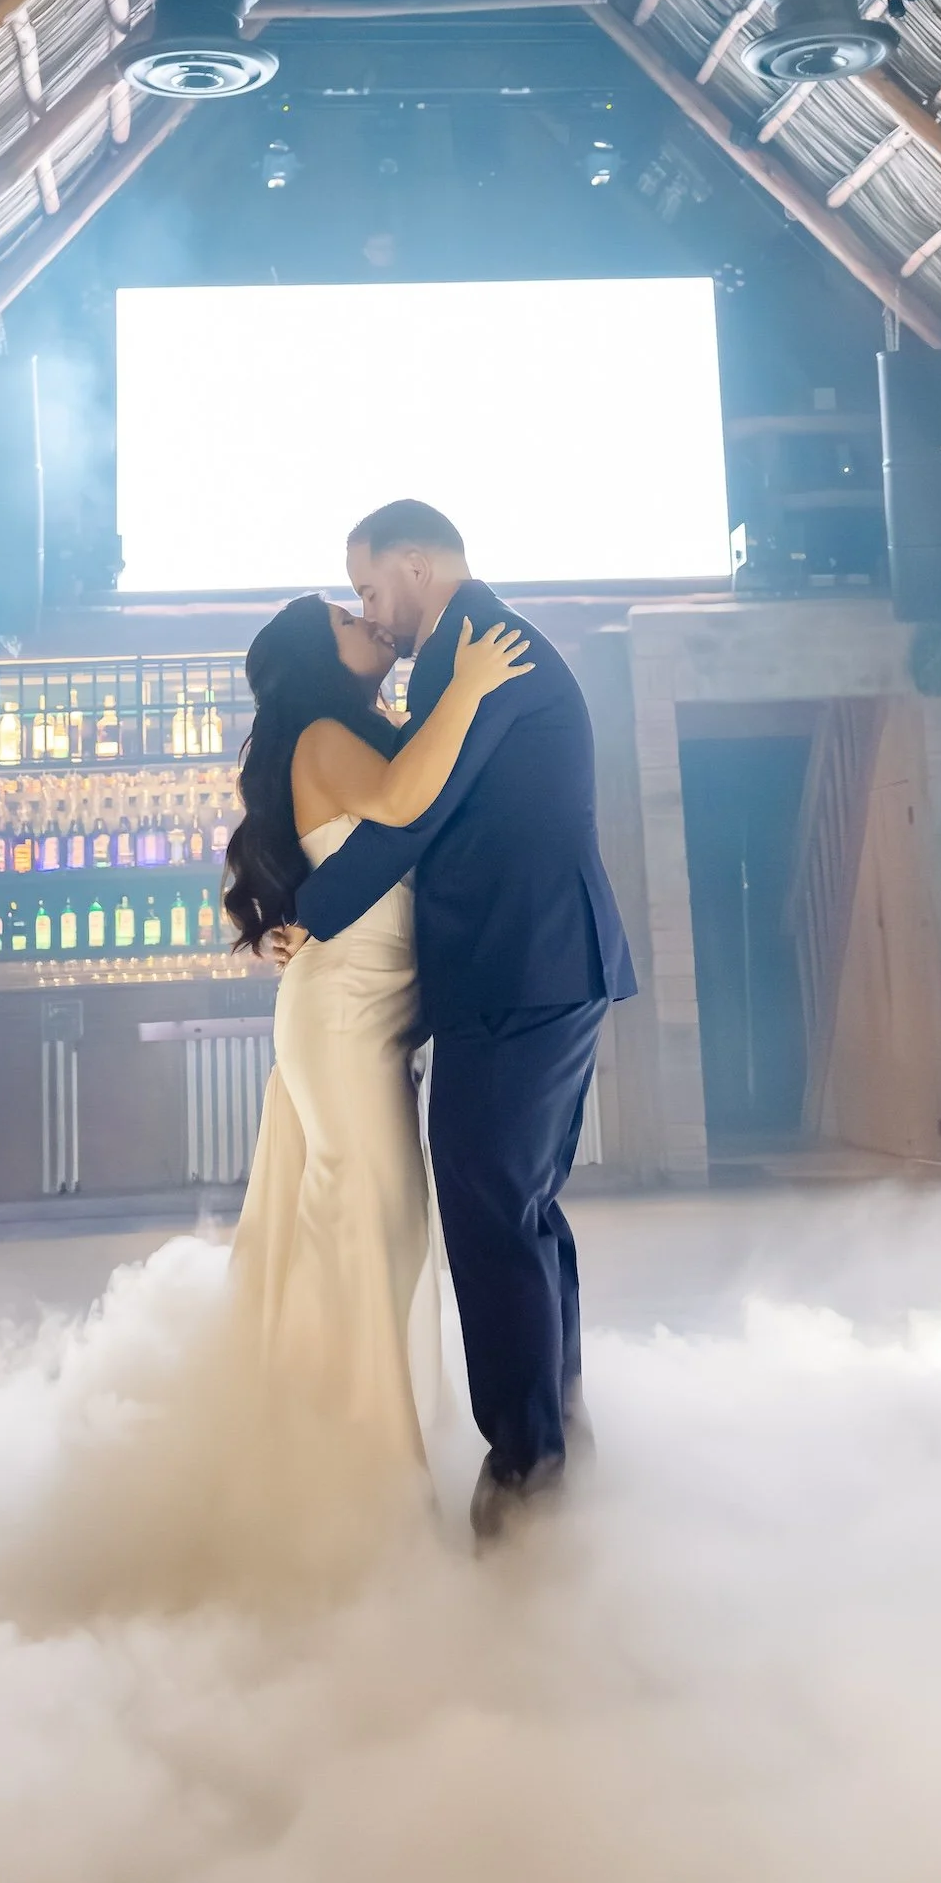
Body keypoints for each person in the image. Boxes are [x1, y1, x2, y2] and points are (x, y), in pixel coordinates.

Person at [289, 496, 636, 1544]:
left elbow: (414, 813)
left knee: (490, 1214)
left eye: (368, 587)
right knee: (521, 1208)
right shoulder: (479, 642)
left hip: (518, 969)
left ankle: (527, 1470)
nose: (371, 611)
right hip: (538, 963)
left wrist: (306, 908)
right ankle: (557, 1436)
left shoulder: (473, 648)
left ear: (413, 564)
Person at [224, 591, 533, 1477]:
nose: (370, 622)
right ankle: (358, 1476)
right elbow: (403, 800)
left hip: (368, 1015)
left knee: (379, 1232)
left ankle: (337, 1454)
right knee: (368, 1229)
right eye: (345, 620)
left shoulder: (362, 730)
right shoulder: (326, 736)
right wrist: (469, 685)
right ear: (317, 660)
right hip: (345, 1016)